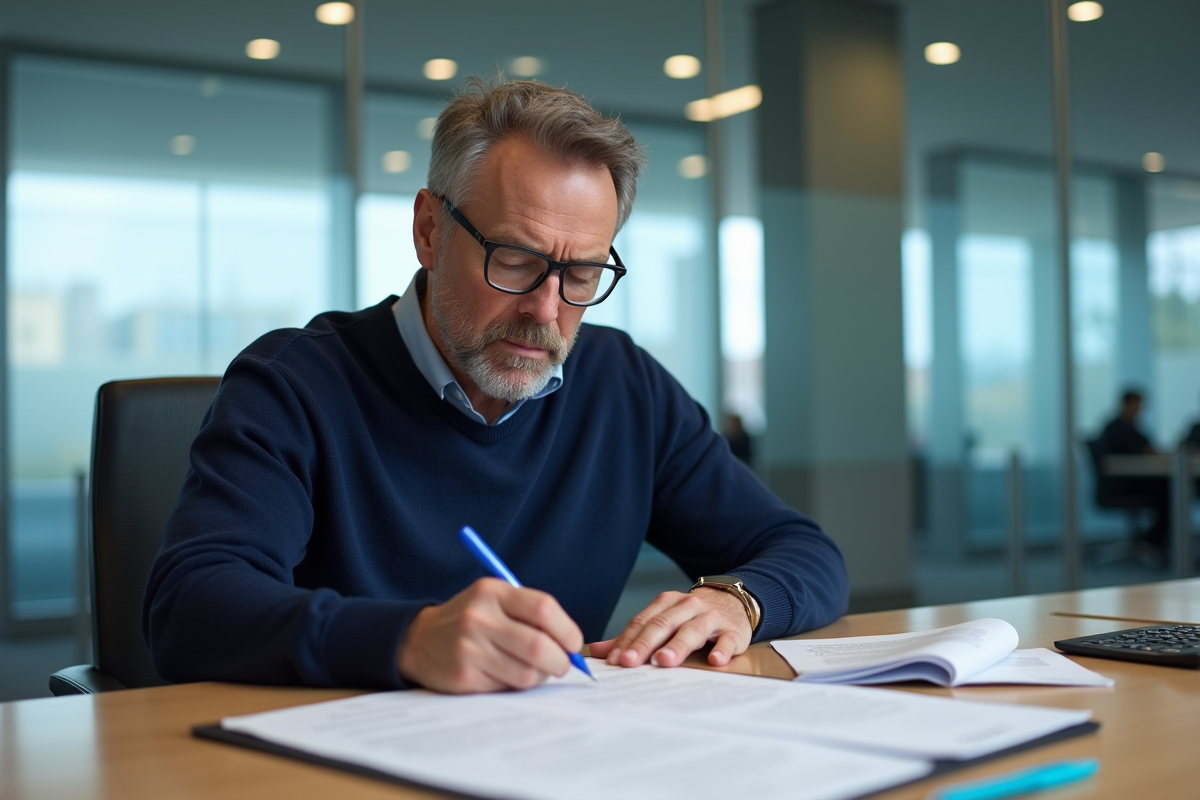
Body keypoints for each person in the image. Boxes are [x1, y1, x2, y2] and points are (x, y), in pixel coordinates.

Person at [142, 78, 848, 694]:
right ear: (429, 230)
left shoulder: (623, 386)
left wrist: (739, 601)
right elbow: (189, 605)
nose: (545, 309)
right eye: (514, 259)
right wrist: (409, 639)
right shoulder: (294, 384)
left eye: (581, 275)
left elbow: (805, 552)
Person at [1095, 388, 1169, 551]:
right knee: (1167, 494)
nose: (1139, 410)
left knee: (1169, 490)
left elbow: (1148, 448)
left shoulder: (1133, 427)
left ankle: (1152, 540)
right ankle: (1152, 541)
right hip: (1120, 487)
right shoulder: (1116, 429)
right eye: (1136, 405)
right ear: (1126, 404)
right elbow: (1144, 451)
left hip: (1132, 483)